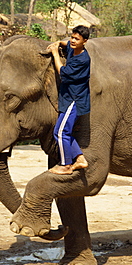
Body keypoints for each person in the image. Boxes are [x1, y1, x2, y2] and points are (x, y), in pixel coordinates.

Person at [47, 25, 91, 175]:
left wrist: (55, 54)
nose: (72, 41)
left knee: (60, 132)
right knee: (63, 131)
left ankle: (66, 165)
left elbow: (63, 73)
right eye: (72, 37)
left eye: (76, 39)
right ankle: (79, 159)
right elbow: (67, 45)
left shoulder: (83, 60)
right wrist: (60, 43)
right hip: (68, 97)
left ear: (84, 41)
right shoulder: (73, 48)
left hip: (75, 99)